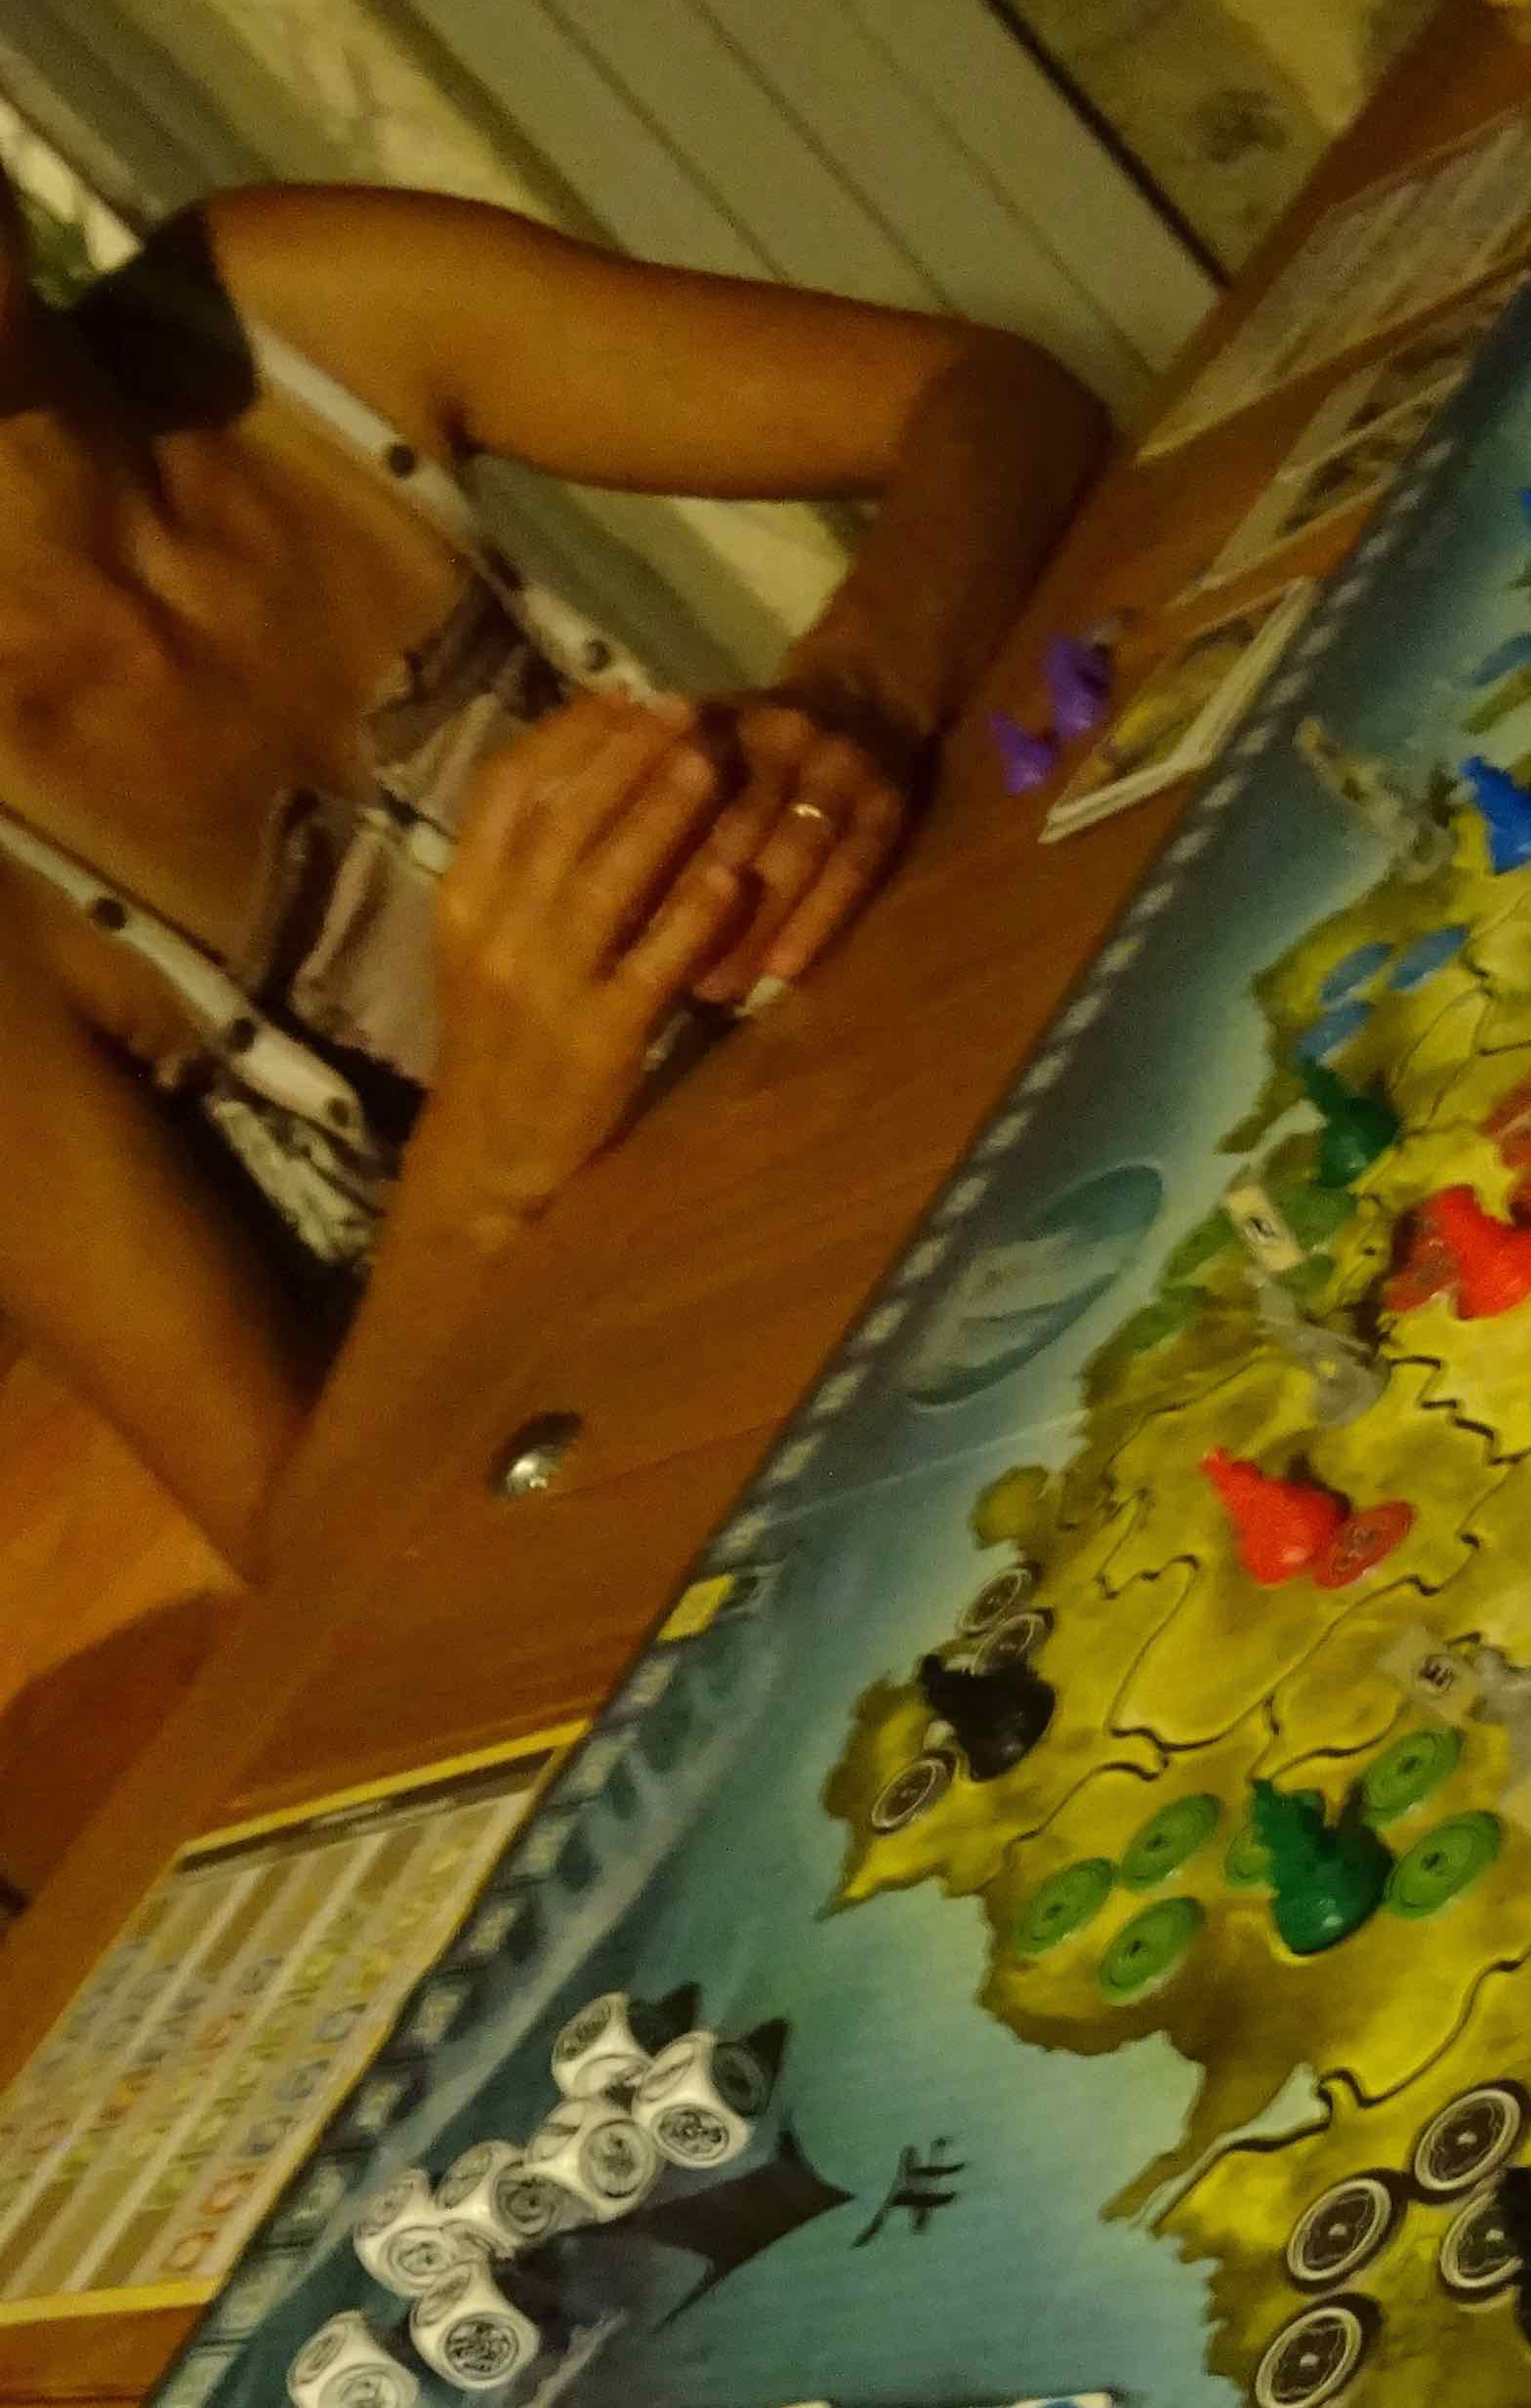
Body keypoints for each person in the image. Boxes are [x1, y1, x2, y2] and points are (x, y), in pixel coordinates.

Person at [0, 184, 1112, 1580]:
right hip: (676, 1470)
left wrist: (864, 686)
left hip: (913, 1125)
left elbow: (997, 399)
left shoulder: (271, 305)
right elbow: (304, 1556)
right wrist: (485, 1165)